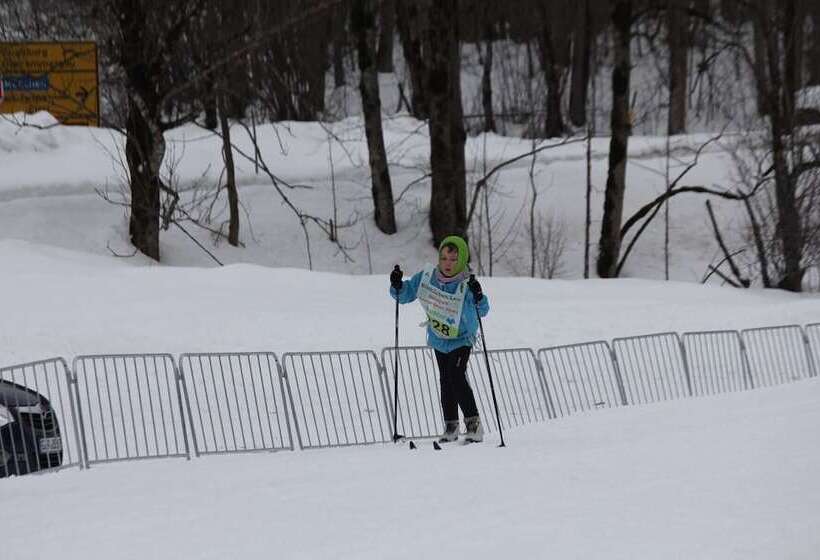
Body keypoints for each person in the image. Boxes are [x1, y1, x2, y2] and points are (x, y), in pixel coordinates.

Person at [389, 235, 490, 443]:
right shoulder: (429, 277)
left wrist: (479, 296)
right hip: (439, 338)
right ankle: (451, 426)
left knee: (456, 375)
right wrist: (397, 284)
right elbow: (406, 294)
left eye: (453, 259)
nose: (448, 264)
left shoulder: (467, 283)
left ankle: (474, 425)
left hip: (462, 338)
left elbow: (484, 309)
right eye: (444, 258)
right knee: (445, 379)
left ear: (461, 260)